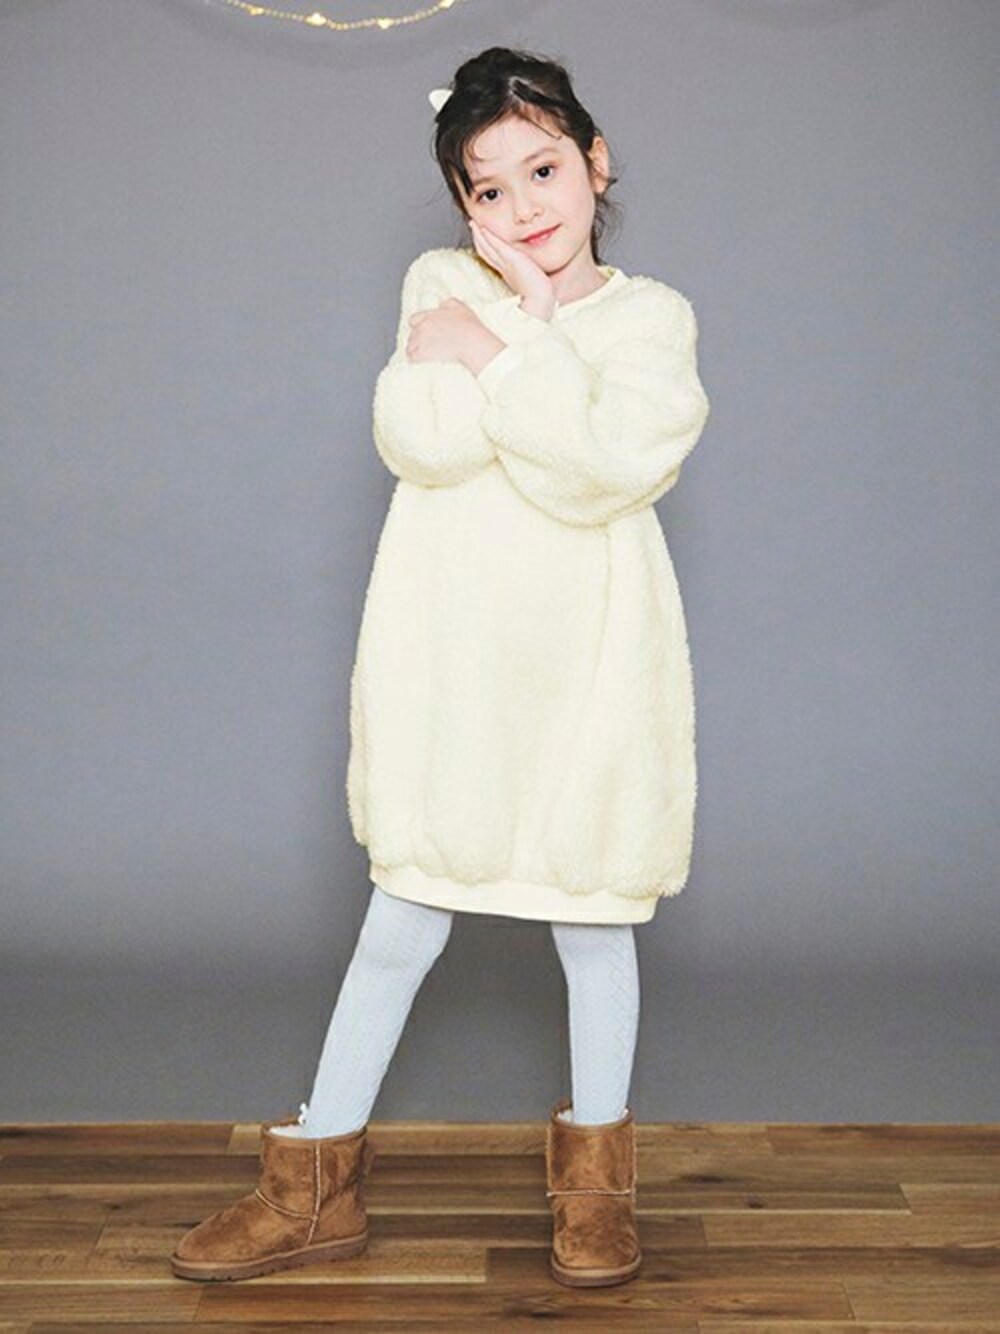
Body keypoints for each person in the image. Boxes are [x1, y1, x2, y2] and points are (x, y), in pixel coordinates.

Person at [171, 44, 710, 1291]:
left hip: (588, 666)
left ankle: (595, 1189)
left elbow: (603, 471)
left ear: (596, 162)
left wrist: (509, 338)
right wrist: (507, 346)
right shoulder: (433, 283)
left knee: (592, 917)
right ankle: (313, 1183)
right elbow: (424, 440)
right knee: (402, 916)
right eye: (488, 188)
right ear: (462, 204)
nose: (522, 207)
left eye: (543, 169)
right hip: (452, 665)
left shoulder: (652, 318)